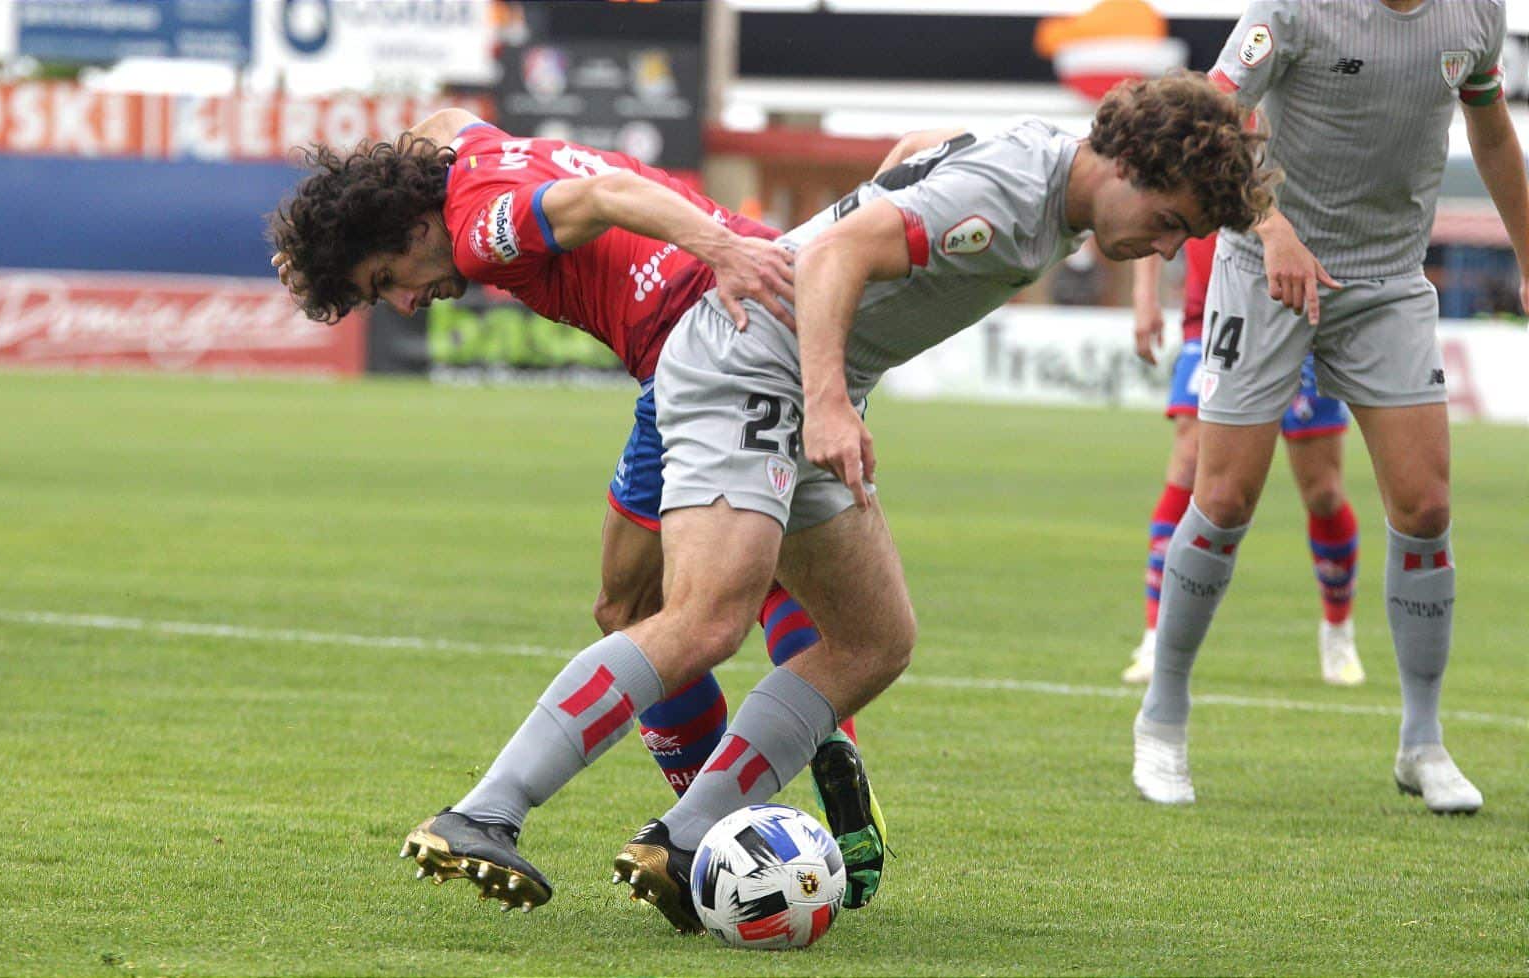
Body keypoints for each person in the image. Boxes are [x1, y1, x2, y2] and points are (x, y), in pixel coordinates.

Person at [410, 72, 1273, 932]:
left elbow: (910, 164)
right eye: (1171, 224)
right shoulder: (1015, 191)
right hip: (746, 364)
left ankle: (685, 838)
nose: (1166, 250)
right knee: (707, 618)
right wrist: (826, 400)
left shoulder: (1043, 174)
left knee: (873, 639)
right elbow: (835, 252)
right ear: (1132, 166)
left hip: (803, 377)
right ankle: (485, 813)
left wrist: (835, 378)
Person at [269, 110, 924, 907]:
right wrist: (321, 247)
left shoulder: (479, 231)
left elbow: (608, 194)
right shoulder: (468, 151)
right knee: (762, 578)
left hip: (701, 334)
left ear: (409, 226)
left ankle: (673, 827)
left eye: (385, 281)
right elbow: (438, 124)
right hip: (750, 324)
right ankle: (778, 777)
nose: (406, 304)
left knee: (649, 610)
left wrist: (722, 252)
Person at [1132, 0, 1528, 813]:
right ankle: (1162, 713)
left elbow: (1490, 132)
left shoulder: (1476, 16)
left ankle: (1422, 742)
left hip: (1388, 281)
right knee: (1225, 498)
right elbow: (1215, 114)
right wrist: (1269, 225)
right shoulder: (1294, 9)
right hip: (1264, 267)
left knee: (1424, 507)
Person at [1122, 235, 1362, 687]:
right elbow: (1155, 186)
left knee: (1323, 490)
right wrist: (1144, 296)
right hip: (1213, 315)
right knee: (1190, 460)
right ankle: (1157, 632)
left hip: (1296, 310)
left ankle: (1337, 629)